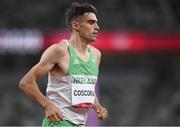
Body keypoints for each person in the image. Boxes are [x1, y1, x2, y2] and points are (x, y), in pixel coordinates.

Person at [19, 1, 108, 126]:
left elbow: (85, 87)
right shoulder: (60, 51)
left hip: (80, 124)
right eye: (91, 22)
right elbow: (26, 82)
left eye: (96, 22)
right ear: (76, 25)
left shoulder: (96, 55)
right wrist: (48, 105)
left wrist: (97, 106)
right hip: (59, 123)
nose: (97, 27)